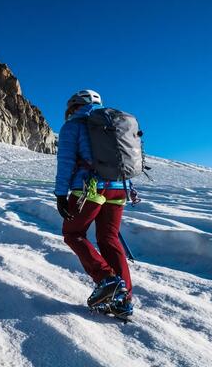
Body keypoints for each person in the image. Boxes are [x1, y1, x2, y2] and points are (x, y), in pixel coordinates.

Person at [54, 89, 133, 317]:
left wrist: (61, 194)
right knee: (109, 239)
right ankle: (123, 299)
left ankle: (107, 280)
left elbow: (66, 162)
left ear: (75, 105)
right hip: (119, 189)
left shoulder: (74, 125)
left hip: (89, 188)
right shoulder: (114, 123)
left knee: (73, 233)